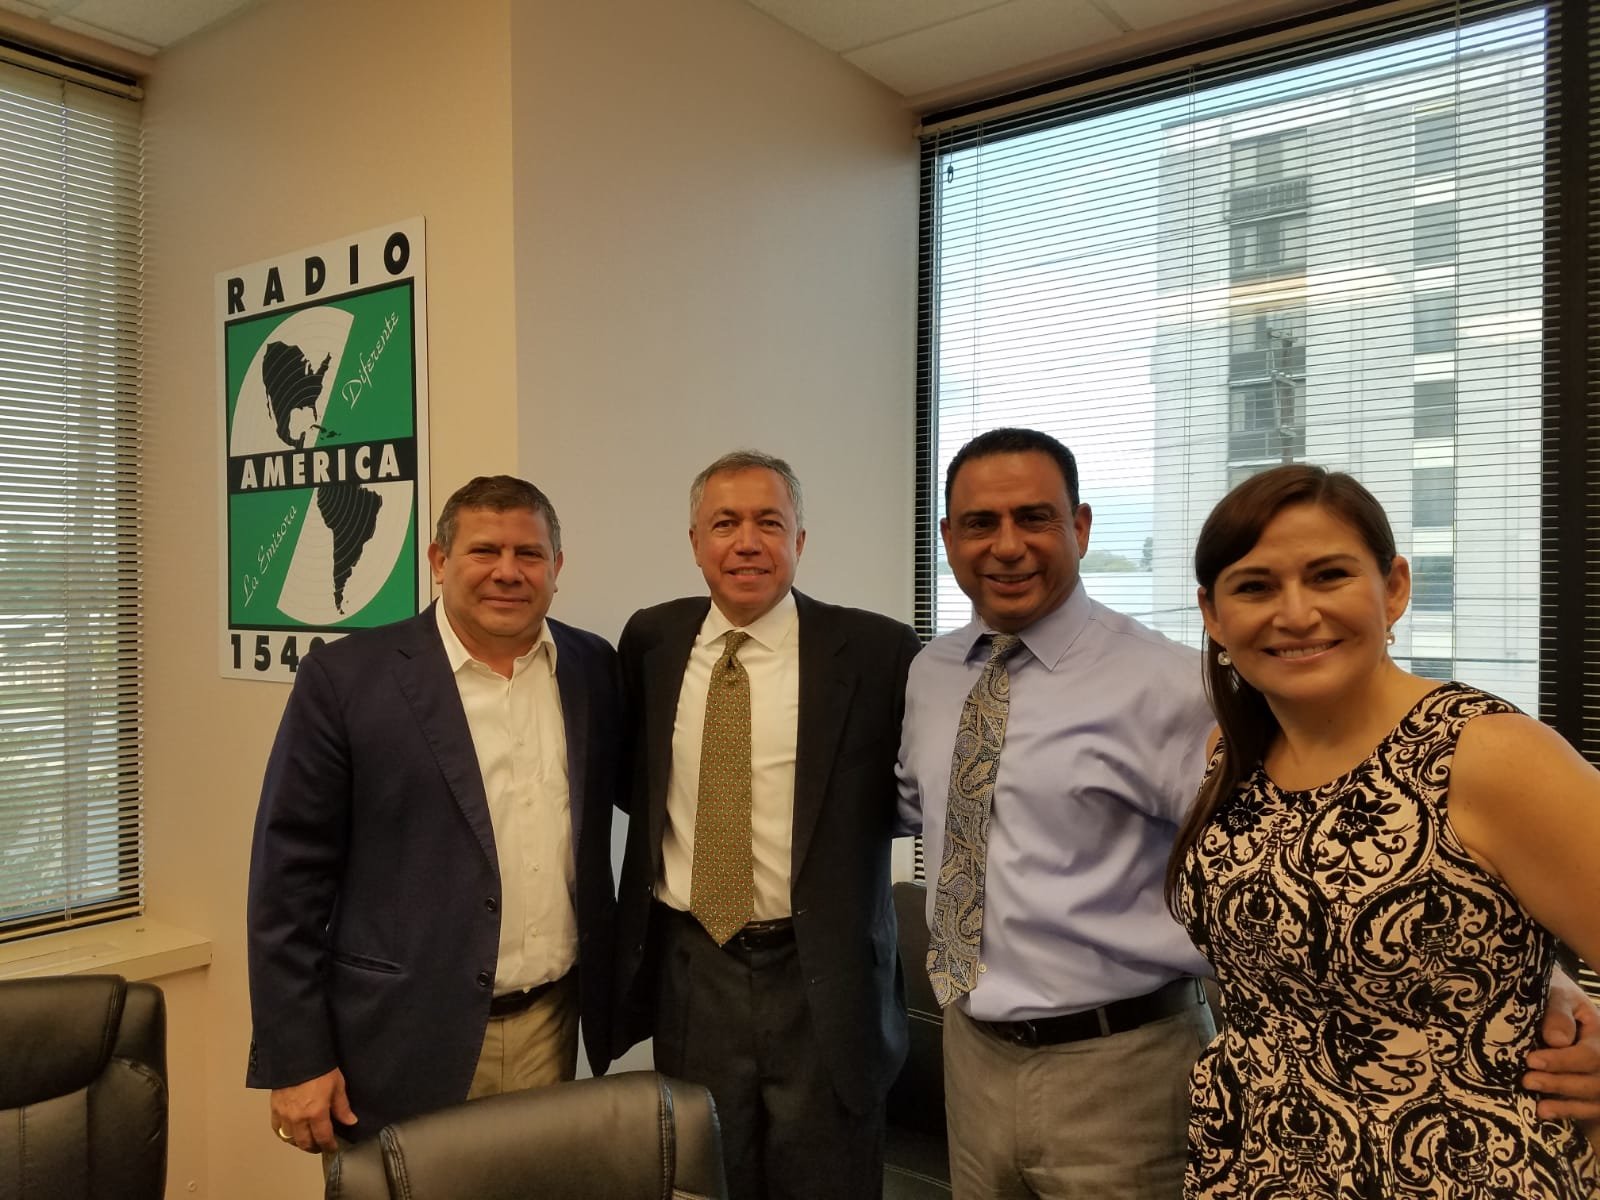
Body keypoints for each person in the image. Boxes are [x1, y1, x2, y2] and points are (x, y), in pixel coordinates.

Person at [897, 427, 1600, 1199]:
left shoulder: (1191, 695)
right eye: (1256, 587)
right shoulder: (934, 674)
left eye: (1035, 517)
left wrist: (1537, 983)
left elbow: (1436, 877)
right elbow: (1291, 872)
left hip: (1131, 1065)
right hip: (1168, 1110)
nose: (1294, 615)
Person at [1168, 463, 1600, 1197]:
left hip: (1456, 1172)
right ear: (1213, 614)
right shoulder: (1232, 754)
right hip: (1257, 1163)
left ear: (1394, 586)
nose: (1296, 613)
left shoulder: (1486, 753)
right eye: (1255, 586)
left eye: (1329, 575)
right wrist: (1536, 975)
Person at [245, 475, 621, 1153]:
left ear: (557, 567)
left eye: (529, 554)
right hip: (396, 1042)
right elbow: (287, 881)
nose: (507, 571)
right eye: (484, 551)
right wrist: (296, 1057)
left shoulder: (592, 666)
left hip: (552, 1028)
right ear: (440, 560)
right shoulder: (347, 679)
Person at [612, 450, 921, 1200]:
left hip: (826, 979)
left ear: (800, 541)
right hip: (695, 969)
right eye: (725, 524)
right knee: (705, 1178)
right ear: (695, 542)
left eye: (769, 523)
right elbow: (633, 782)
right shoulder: (652, 641)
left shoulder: (877, 652)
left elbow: (915, 794)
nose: (747, 542)